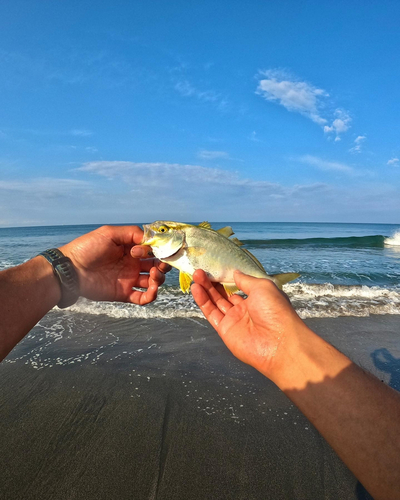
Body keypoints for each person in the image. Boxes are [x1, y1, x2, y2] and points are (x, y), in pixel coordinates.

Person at [1, 225, 399, 499]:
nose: (152, 234)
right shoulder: (180, 247)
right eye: (155, 231)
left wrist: (59, 269)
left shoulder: (188, 241)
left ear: (177, 236)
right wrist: (284, 349)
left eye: (160, 231)